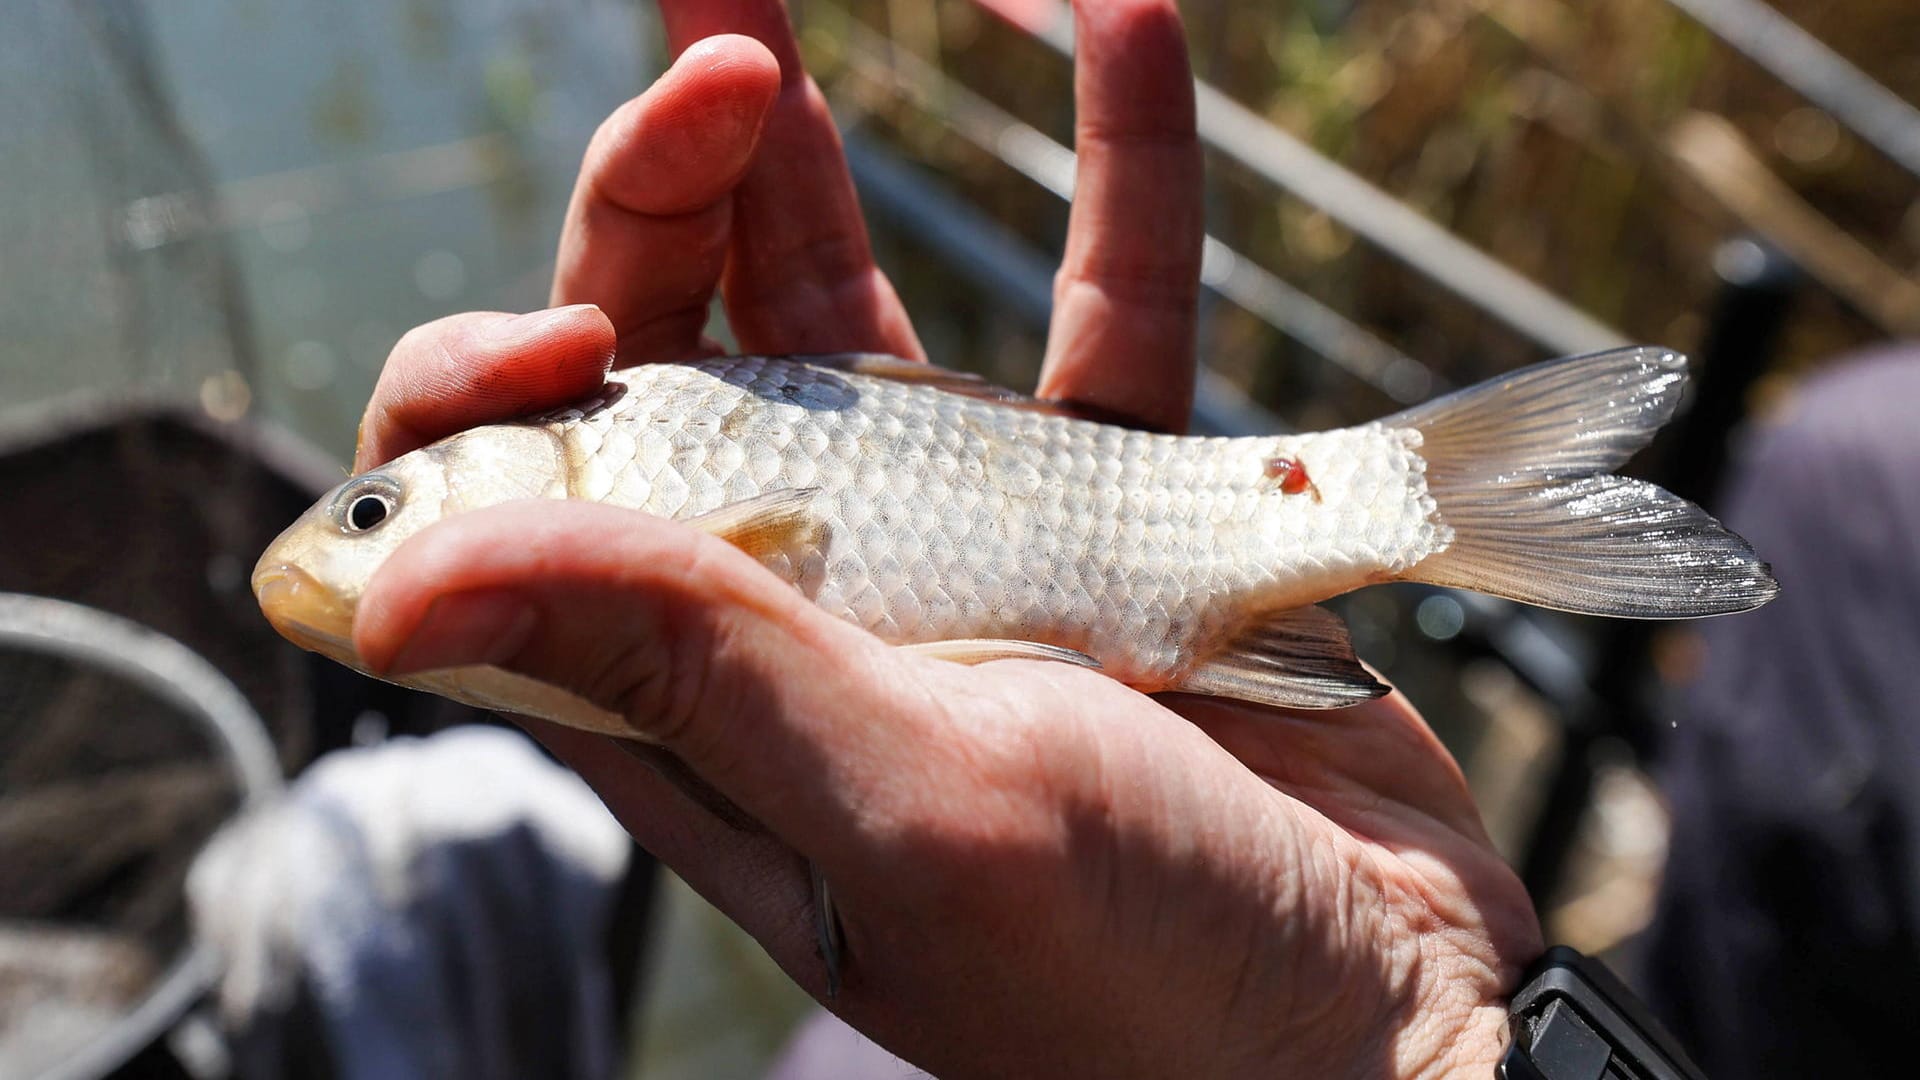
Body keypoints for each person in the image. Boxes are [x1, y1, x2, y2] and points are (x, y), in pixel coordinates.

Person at [343, 1, 1542, 1075]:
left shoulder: (605, 472)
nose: (359, 536)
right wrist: (1388, 1023)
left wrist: (1404, 1025)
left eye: (372, 513)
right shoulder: (604, 493)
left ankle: (1411, 495)